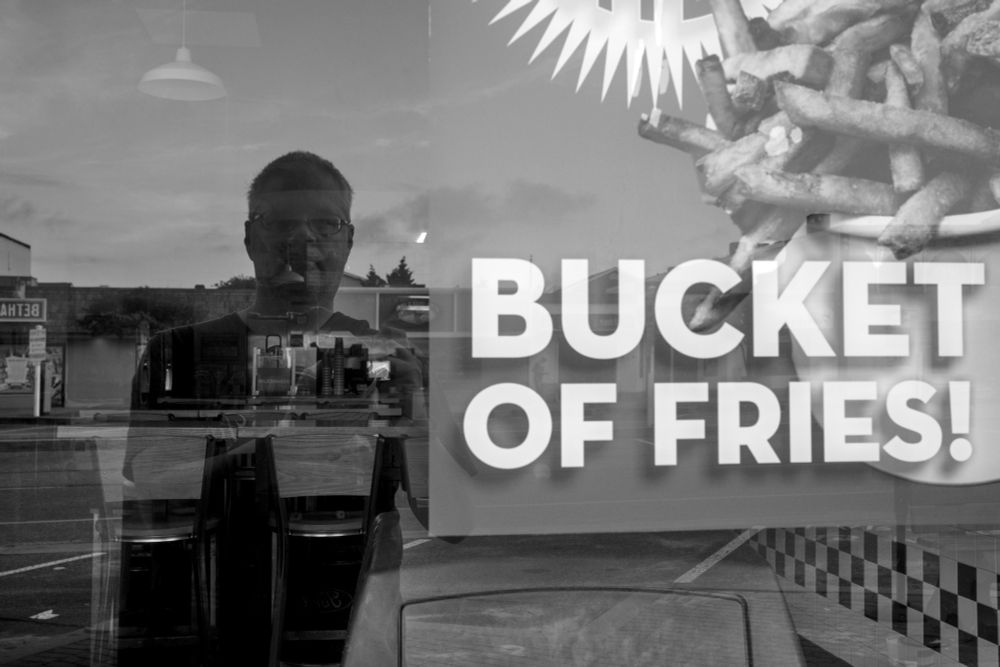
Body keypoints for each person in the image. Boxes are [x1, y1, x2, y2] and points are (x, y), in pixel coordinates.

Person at [131, 150, 422, 412]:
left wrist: (414, 409)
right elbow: (149, 469)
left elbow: (434, 466)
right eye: (281, 222)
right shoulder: (176, 352)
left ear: (349, 240)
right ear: (250, 238)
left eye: (325, 223)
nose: (303, 237)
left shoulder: (387, 355)